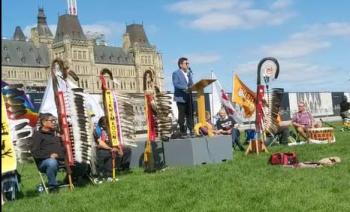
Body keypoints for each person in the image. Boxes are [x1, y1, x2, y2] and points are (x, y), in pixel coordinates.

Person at [31, 113, 65, 192]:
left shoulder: (56, 134)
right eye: (52, 121)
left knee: (78, 161)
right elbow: (35, 152)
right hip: (44, 162)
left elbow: (62, 149)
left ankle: (71, 180)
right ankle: (53, 187)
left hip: (60, 159)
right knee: (52, 162)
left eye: (54, 120)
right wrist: (49, 155)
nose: (54, 122)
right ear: (44, 122)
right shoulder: (37, 135)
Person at [94, 116, 132, 181]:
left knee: (127, 150)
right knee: (108, 153)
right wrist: (111, 148)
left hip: (112, 147)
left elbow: (116, 140)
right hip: (103, 149)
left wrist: (119, 149)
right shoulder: (97, 131)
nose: (107, 126)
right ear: (102, 124)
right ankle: (107, 174)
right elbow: (100, 144)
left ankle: (122, 168)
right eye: (106, 124)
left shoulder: (110, 129)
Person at [172, 57, 194, 136]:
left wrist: (193, 87)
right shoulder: (176, 73)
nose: (188, 65)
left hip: (189, 97)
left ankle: (191, 129)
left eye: (188, 63)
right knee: (182, 114)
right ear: (181, 65)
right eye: (186, 63)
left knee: (190, 113)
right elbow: (176, 84)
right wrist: (185, 88)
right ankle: (182, 130)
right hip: (181, 97)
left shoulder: (188, 73)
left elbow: (191, 84)